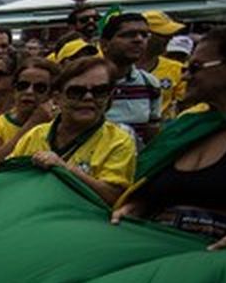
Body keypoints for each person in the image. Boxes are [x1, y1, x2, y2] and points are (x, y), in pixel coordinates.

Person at [109, 26, 226, 248]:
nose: (185, 75)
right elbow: (150, 190)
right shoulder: (187, 127)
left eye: (195, 67)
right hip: (154, 252)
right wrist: (136, 207)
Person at [10, 55, 137, 204]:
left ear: (110, 96)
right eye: (76, 92)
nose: (88, 97)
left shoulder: (119, 142)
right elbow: (11, 176)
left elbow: (113, 197)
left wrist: (67, 170)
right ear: (57, 98)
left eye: (99, 91)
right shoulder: (36, 134)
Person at [0, 60, 58, 165]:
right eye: (23, 86)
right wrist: (31, 124)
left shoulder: (57, 126)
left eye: (40, 88)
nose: (29, 91)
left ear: (52, 95)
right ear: (14, 89)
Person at [100, 12, 162, 146]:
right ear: (105, 44)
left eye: (144, 35)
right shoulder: (87, 82)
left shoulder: (149, 83)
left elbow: (152, 136)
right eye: (128, 35)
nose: (139, 39)